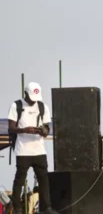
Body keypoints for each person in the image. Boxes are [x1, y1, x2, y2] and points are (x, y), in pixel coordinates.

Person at [7, 82, 58, 214]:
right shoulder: (16, 105)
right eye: (30, 99)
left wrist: (43, 131)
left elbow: (47, 127)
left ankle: (47, 208)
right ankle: (17, 208)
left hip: (39, 150)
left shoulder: (42, 106)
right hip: (23, 150)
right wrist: (25, 130)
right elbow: (11, 128)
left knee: (44, 179)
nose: (32, 102)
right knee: (20, 179)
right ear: (26, 94)